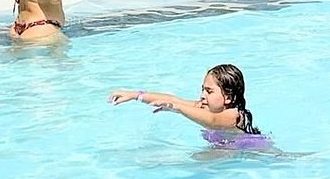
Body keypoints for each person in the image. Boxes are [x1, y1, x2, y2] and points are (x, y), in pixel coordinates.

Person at [109, 63, 268, 148]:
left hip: (253, 149)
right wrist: (136, 95)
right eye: (202, 89)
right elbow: (174, 99)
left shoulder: (234, 115)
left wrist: (177, 108)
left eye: (209, 91)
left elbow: (212, 121)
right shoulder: (204, 107)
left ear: (228, 97)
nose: (202, 95)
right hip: (226, 150)